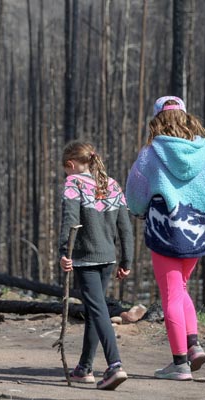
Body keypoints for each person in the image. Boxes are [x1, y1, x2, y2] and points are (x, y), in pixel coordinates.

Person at [125, 96, 205, 381]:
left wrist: (138, 210)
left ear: (157, 119)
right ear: (186, 117)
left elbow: (135, 191)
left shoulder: (151, 153)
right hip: (198, 230)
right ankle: (193, 346)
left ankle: (179, 363)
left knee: (171, 293)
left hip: (164, 228)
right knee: (180, 287)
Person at [57, 140, 134, 390]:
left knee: (98, 310)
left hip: (86, 258)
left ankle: (114, 365)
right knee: (94, 310)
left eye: (65, 169)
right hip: (108, 258)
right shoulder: (112, 184)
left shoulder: (73, 183)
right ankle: (84, 368)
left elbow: (70, 219)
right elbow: (125, 227)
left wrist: (63, 251)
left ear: (70, 164)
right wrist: (127, 260)